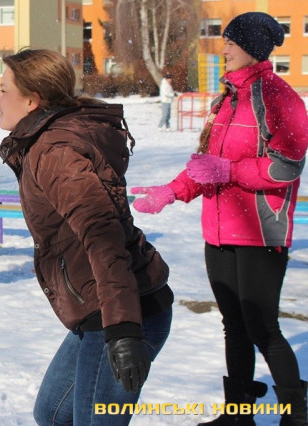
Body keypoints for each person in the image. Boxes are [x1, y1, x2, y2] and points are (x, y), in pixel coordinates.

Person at [131, 12, 308, 426]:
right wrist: (171, 191)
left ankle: (297, 413)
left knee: (262, 327)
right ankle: (239, 414)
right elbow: (205, 166)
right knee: (235, 327)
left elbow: (287, 167)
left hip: (260, 231)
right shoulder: (226, 98)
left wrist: (229, 170)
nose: (223, 49)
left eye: (230, 42)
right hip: (218, 231)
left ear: (252, 47)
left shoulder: (279, 97)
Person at [0, 48, 174, 425]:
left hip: (126, 311)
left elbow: (102, 236)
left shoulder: (55, 151)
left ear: (32, 100)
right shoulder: (44, 140)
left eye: (3, 89)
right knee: (52, 413)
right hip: (101, 305)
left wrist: (123, 330)